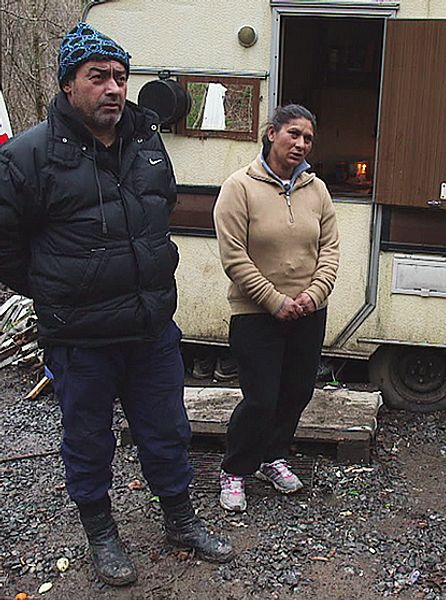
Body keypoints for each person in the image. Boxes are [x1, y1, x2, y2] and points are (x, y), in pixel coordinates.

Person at [0, 23, 233, 586]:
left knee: (167, 429)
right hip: (80, 338)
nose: (112, 87)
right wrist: (60, 291)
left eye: (121, 77)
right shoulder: (29, 156)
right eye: (97, 76)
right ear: (68, 84)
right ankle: (102, 535)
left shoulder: (147, 142)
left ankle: (180, 521)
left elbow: (161, 210)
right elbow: (5, 248)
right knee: (88, 438)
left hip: (151, 327)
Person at [213, 104, 340, 512]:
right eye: (293, 134)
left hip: (307, 312)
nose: (301, 144)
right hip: (256, 314)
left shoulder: (316, 190)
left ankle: (273, 457)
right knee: (261, 398)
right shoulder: (239, 187)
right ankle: (235, 469)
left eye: (308, 139)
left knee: (297, 391)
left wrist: (313, 295)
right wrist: (274, 300)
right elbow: (234, 256)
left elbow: (330, 250)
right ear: (271, 134)